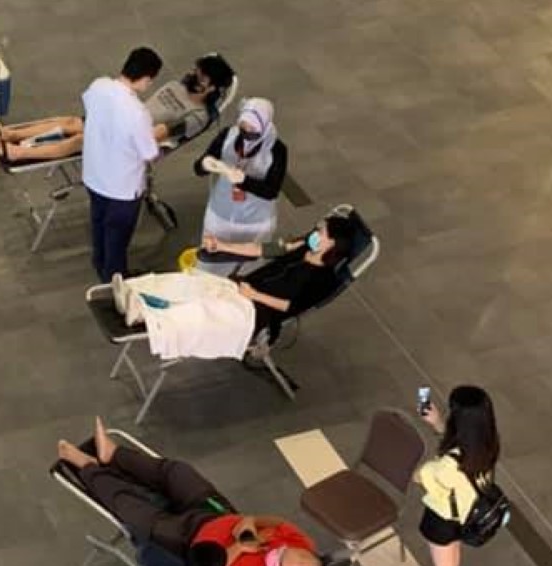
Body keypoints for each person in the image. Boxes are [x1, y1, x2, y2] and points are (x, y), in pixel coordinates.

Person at [57, 419, 323, 566]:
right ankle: (113, 455)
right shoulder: (299, 543)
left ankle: (87, 467)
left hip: (188, 540)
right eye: (304, 554)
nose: (299, 554)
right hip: (216, 513)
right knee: (177, 473)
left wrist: (239, 548)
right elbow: (279, 523)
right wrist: (251, 521)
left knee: (129, 507)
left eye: (300, 563)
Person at [105, 214, 355, 363]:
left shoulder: (323, 279)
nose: (316, 232)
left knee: (201, 311)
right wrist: (222, 246)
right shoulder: (303, 247)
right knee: (192, 284)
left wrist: (253, 295)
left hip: (256, 311)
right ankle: (134, 291)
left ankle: (140, 313)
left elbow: (289, 306)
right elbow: (261, 250)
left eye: (321, 231)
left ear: (332, 242)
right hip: (244, 289)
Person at [0, 53, 234, 166]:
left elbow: (158, 134)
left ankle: (17, 154)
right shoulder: (175, 86)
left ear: (211, 88)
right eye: (195, 70)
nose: (193, 75)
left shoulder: (197, 116)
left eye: (200, 76)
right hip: (123, 121)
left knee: (80, 139)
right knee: (73, 121)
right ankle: (9, 134)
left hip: (133, 140)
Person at [404, 386, 500, 566]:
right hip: (466, 514)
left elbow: (417, 476)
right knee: (451, 557)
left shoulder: (446, 466)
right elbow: (459, 447)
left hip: (443, 520)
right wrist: (437, 424)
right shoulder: (487, 443)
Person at [81, 47, 163, 283]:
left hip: (95, 175)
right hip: (122, 187)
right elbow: (148, 152)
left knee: (98, 222)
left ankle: (100, 262)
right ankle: (114, 281)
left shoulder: (98, 86)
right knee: (117, 236)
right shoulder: (137, 112)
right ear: (147, 79)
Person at [194, 96, 288, 264]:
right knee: (210, 260)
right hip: (220, 215)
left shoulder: (277, 150)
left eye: (253, 127)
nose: (247, 130)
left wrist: (244, 180)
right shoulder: (228, 136)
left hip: (254, 221)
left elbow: (271, 191)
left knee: (246, 267)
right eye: (243, 125)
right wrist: (204, 165)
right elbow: (199, 167)